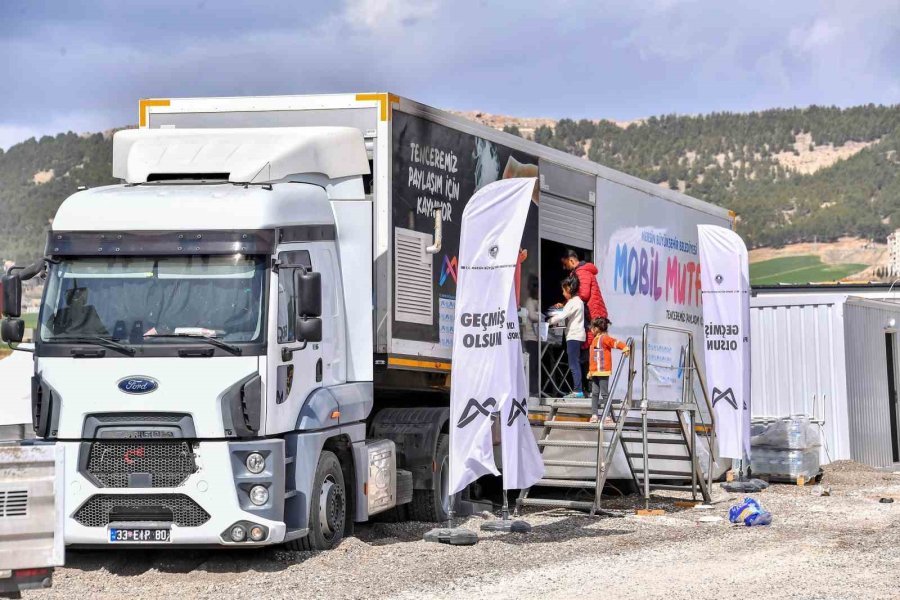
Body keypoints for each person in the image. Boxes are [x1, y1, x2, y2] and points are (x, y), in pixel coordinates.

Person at [561, 249, 608, 347]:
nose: (564, 268)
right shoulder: (581, 271)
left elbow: (584, 294)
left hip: (592, 315)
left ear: (571, 261)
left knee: (589, 347)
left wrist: (569, 303)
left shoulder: (581, 272)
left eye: (565, 264)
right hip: (593, 315)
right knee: (591, 346)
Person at [587, 317, 629, 423]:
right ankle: (594, 415)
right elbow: (593, 358)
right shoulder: (594, 340)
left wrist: (625, 347)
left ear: (597, 328)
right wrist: (590, 371)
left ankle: (607, 416)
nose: (591, 330)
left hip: (603, 371)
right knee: (595, 393)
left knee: (604, 393)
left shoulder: (604, 338)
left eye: (593, 328)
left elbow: (615, 342)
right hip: (595, 371)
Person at [547, 279, 585, 398]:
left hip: (573, 336)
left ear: (569, 289)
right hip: (576, 335)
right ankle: (578, 389)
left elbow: (562, 315)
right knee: (575, 363)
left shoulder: (573, 302)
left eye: (563, 291)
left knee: (573, 364)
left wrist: (548, 321)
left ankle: (578, 391)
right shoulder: (577, 302)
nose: (563, 293)